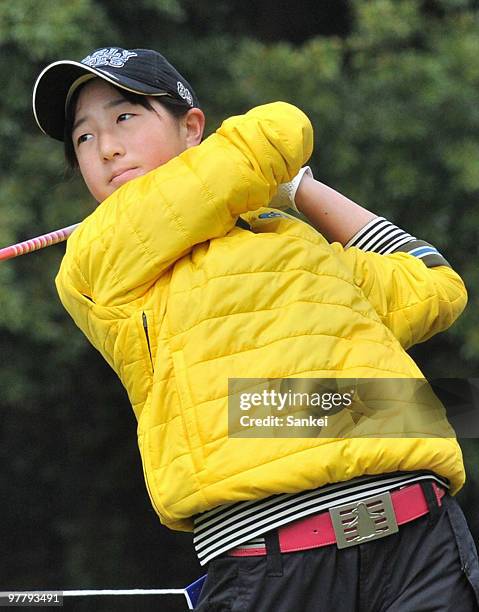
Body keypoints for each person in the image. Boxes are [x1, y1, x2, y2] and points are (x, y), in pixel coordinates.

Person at [32, 46, 479, 610]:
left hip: (421, 539)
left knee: (432, 404)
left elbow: (432, 282)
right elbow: (278, 129)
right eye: (84, 139)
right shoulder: (98, 255)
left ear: (191, 126)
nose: (108, 148)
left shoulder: (287, 236)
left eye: (124, 117)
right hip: (273, 562)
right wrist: (378, 410)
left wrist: (299, 191)